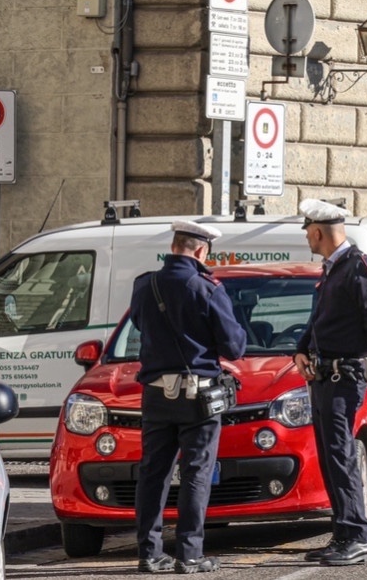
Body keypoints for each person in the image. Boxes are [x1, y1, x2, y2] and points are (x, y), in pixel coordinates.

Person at [292, 199, 367, 566]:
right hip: (326, 376)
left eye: (309, 232)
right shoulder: (333, 269)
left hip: (345, 376)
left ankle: (358, 536)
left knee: (341, 456)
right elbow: (319, 321)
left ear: (318, 232)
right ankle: (343, 533)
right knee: (330, 458)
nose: (307, 238)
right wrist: (301, 350)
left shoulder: (358, 268)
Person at [131, 220, 247, 574]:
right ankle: (189, 554)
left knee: (153, 473)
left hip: (155, 394)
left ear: (174, 245)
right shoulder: (207, 288)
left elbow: (138, 323)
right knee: (196, 471)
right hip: (197, 395)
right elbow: (234, 346)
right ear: (200, 250)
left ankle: (149, 553)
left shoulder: (145, 285)